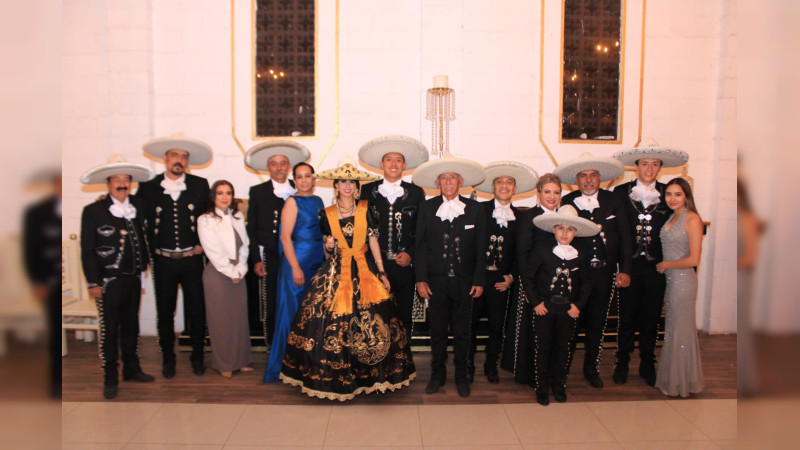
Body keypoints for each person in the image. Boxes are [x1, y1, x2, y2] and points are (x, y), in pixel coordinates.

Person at [280, 157, 416, 400]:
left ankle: (372, 374)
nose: (347, 186)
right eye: (342, 182)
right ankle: (337, 375)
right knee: (331, 322)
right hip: (336, 271)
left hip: (365, 269)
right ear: (336, 186)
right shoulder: (326, 213)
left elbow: (373, 239)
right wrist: (329, 246)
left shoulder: (367, 208)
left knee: (374, 321)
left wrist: (382, 271)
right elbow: (326, 251)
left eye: (351, 182)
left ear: (357, 186)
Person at [610, 141, 689, 386]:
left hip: (657, 267)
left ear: (660, 169)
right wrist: (621, 267)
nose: (649, 168)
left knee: (651, 317)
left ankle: (647, 362)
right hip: (629, 267)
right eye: (645, 164)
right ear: (636, 167)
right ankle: (621, 363)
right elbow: (617, 232)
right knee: (626, 318)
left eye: (655, 164)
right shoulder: (621, 193)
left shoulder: (668, 193)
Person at [79, 154, 156, 399]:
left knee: (131, 326)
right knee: (110, 330)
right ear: (108, 183)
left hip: (133, 277)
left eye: (126, 179)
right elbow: (88, 250)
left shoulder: (138, 206)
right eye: (116, 179)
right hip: (108, 281)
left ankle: (132, 369)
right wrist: (93, 282)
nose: (122, 183)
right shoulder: (94, 210)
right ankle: (110, 377)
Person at [136, 132, 212, 378]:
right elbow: (134, 215)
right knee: (165, 312)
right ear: (165, 159)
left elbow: (209, 218)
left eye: (183, 156)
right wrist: (105, 200)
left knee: (197, 311)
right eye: (174, 155)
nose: (179, 160)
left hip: (192, 260)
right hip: (163, 260)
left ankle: (197, 357)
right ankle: (168, 359)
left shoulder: (200, 185)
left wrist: (202, 244)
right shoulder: (148, 187)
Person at [413, 155, 487, 397]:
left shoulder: (476, 209)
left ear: (461, 181)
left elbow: (480, 247)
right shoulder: (427, 207)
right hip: (436, 281)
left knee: (463, 331)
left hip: (465, 282)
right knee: (437, 332)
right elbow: (420, 245)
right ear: (437, 182)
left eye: (452, 177)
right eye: (443, 178)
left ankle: (462, 376)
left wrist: (478, 280)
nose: (448, 182)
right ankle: (437, 375)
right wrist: (421, 279)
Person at [556, 153, 631, 389]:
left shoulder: (615, 201)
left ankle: (592, 369)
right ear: (576, 181)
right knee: (571, 323)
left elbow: (626, 237)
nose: (588, 180)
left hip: (604, 273)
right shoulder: (566, 201)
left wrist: (625, 269)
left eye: (593, 175)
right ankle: (563, 370)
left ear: (599, 179)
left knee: (597, 323)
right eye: (583, 176)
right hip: (577, 273)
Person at [468, 162, 537, 384]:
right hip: (477, 278)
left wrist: (511, 277)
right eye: (500, 182)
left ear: (514, 189)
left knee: (497, 327)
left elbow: (522, 252)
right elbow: (471, 246)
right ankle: (468, 366)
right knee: (470, 325)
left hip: (502, 281)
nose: (504, 186)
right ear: (493, 186)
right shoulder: (478, 210)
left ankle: (491, 366)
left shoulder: (523, 218)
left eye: (509, 182)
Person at [526, 205, 597, 405]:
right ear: (554, 229)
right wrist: (536, 302)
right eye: (561, 228)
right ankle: (542, 388)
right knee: (543, 347)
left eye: (570, 229)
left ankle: (559, 385)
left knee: (562, 348)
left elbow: (587, 282)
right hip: (545, 307)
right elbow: (528, 276)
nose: (565, 233)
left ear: (576, 232)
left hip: (568, 309)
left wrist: (578, 305)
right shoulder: (542, 249)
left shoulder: (581, 253)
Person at [358, 135, 429, 336]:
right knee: (376, 314)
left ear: (404, 165)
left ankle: (402, 360)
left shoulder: (416, 192)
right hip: (375, 265)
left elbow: (422, 231)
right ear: (381, 164)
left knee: (404, 314)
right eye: (389, 159)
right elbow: (362, 230)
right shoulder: (367, 190)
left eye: (398, 160)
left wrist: (411, 254)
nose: (393, 163)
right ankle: (379, 359)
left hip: (404, 265)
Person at [244, 141, 310, 353]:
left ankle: (295, 344)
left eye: (282, 163)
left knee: (294, 299)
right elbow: (252, 228)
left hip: (295, 255)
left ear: (289, 166)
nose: (278, 167)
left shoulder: (298, 190)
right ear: (268, 167)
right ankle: (273, 345)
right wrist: (256, 258)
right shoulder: (257, 191)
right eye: (274, 163)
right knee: (271, 301)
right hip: (269, 255)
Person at [263, 162, 325, 382]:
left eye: (308, 176)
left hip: (316, 262)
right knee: (290, 315)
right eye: (299, 177)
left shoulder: (318, 201)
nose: (304, 180)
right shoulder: (292, 202)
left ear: (313, 179)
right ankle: (281, 366)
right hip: (296, 263)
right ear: (295, 180)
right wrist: (296, 267)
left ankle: (303, 364)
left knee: (308, 317)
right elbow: (284, 237)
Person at [501, 172, 562, 384]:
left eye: (556, 192)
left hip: (554, 283)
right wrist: (529, 288)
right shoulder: (529, 218)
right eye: (547, 192)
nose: (551, 196)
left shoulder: (564, 218)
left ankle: (550, 371)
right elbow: (522, 254)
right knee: (529, 327)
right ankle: (527, 372)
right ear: (539, 194)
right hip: (531, 281)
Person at [197, 180, 254, 378]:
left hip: (238, 271)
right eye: (220, 193)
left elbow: (245, 246)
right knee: (221, 321)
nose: (224, 197)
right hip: (218, 274)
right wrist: (232, 272)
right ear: (213, 196)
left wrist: (241, 269)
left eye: (228, 193)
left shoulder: (237, 216)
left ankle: (241, 360)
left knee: (238, 320)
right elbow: (213, 251)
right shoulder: (205, 220)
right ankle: (224, 364)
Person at [654, 177, 704, 397]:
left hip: (683, 281)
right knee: (674, 330)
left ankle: (680, 384)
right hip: (672, 281)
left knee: (680, 332)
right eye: (668, 194)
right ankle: (676, 380)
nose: (672, 199)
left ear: (687, 196)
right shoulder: (673, 217)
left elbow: (694, 259)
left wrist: (667, 264)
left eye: (677, 194)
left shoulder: (692, 219)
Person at [22, 166, 62, 398]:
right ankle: (56, 382)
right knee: (54, 331)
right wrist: (36, 280)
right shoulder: (36, 212)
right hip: (49, 281)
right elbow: (29, 249)